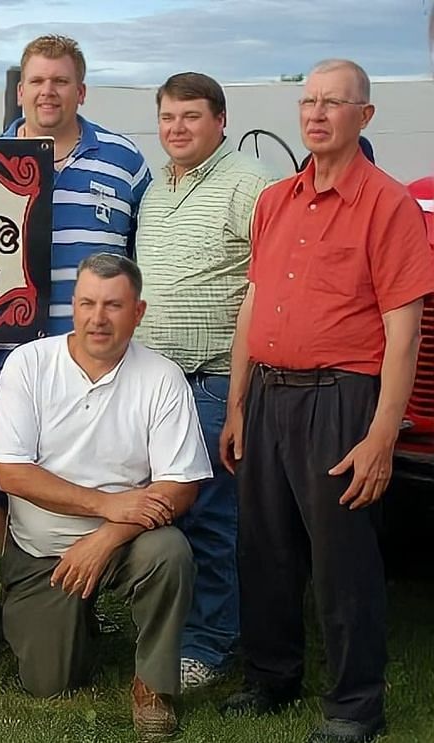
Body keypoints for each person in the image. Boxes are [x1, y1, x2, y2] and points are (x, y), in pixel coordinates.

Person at [219, 60, 434, 743]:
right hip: (268, 397)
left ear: (363, 116)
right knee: (264, 547)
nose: (316, 113)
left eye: (333, 103)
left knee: (342, 560)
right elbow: (253, 303)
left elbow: (404, 334)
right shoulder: (275, 200)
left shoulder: (389, 206)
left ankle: (354, 706)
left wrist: (378, 436)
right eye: (308, 101)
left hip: (341, 396)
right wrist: (235, 402)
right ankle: (271, 676)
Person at [0, 253, 211, 738]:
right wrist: (107, 504)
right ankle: (75, 622)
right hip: (42, 552)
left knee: (170, 552)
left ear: (139, 311)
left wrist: (105, 537)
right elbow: (11, 475)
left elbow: (181, 485)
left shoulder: (162, 376)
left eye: (113, 305)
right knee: (51, 682)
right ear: (72, 305)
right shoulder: (29, 363)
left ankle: (153, 686)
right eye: (86, 303)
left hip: (125, 543)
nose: (97, 318)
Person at [0, 34, 151, 557]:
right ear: (20, 91)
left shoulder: (124, 161)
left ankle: (91, 592)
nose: (48, 92)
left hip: (94, 360)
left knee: (94, 475)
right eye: (37, 81)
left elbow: (139, 255)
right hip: (4, 358)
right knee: (6, 483)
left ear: (81, 91)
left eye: (61, 81)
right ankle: (20, 600)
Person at [133, 72, 275, 690]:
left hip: (214, 379)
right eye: (168, 117)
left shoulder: (250, 185)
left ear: (220, 120)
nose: (177, 129)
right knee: (163, 511)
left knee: (213, 517)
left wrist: (242, 394)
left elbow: (268, 285)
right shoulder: (156, 188)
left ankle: (210, 644)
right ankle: (167, 625)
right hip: (154, 381)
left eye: (191, 117)